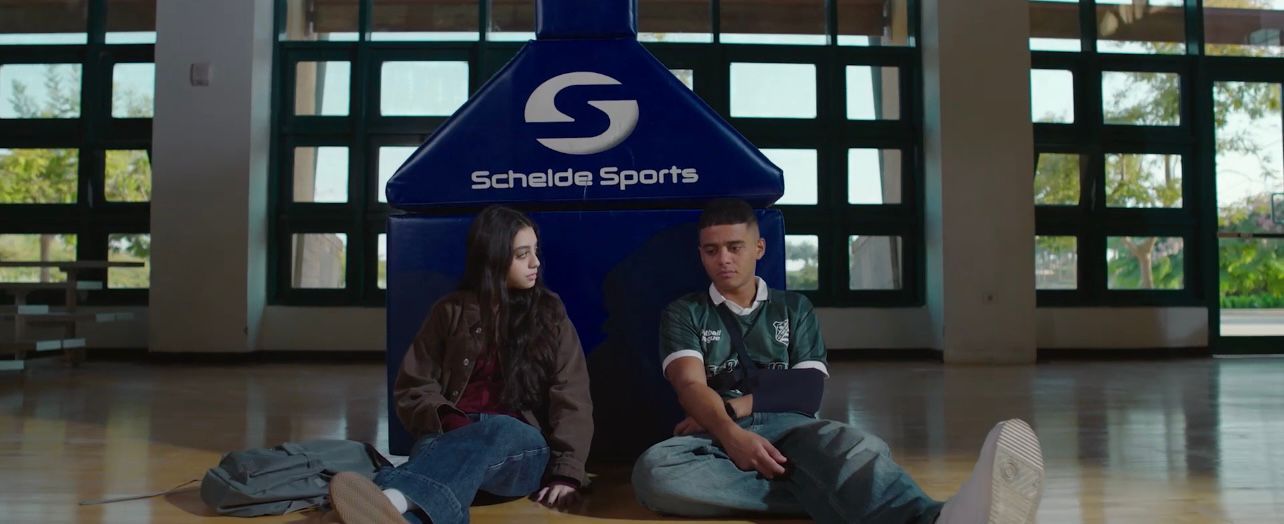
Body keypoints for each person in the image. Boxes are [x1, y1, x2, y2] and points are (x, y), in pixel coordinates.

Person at [631, 198, 1044, 524]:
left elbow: (807, 390)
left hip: (790, 426)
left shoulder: (794, 308)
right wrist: (731, 434)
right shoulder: (684, 312)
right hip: (714, 438)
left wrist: (729, 407)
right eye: (712, 250)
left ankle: (939, 518)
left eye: (734, 247)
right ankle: (850, 495)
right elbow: (690, 385)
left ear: (758, 248)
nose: (723, 259)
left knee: (855, 446)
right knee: (655, 473)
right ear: (701, 254)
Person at [329, 205, 593, 524]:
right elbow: (414, 387)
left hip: (518, 452)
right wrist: (449, 420)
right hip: (449, 440)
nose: (535, 262)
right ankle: (390, 514)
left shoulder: (549, 313)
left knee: (500, 428)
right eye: (522, 254)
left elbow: (571, 395)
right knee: (431, 457)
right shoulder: (449, 311)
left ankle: (389, 498)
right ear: (493, 258)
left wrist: (567, 473)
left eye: (535, 251)